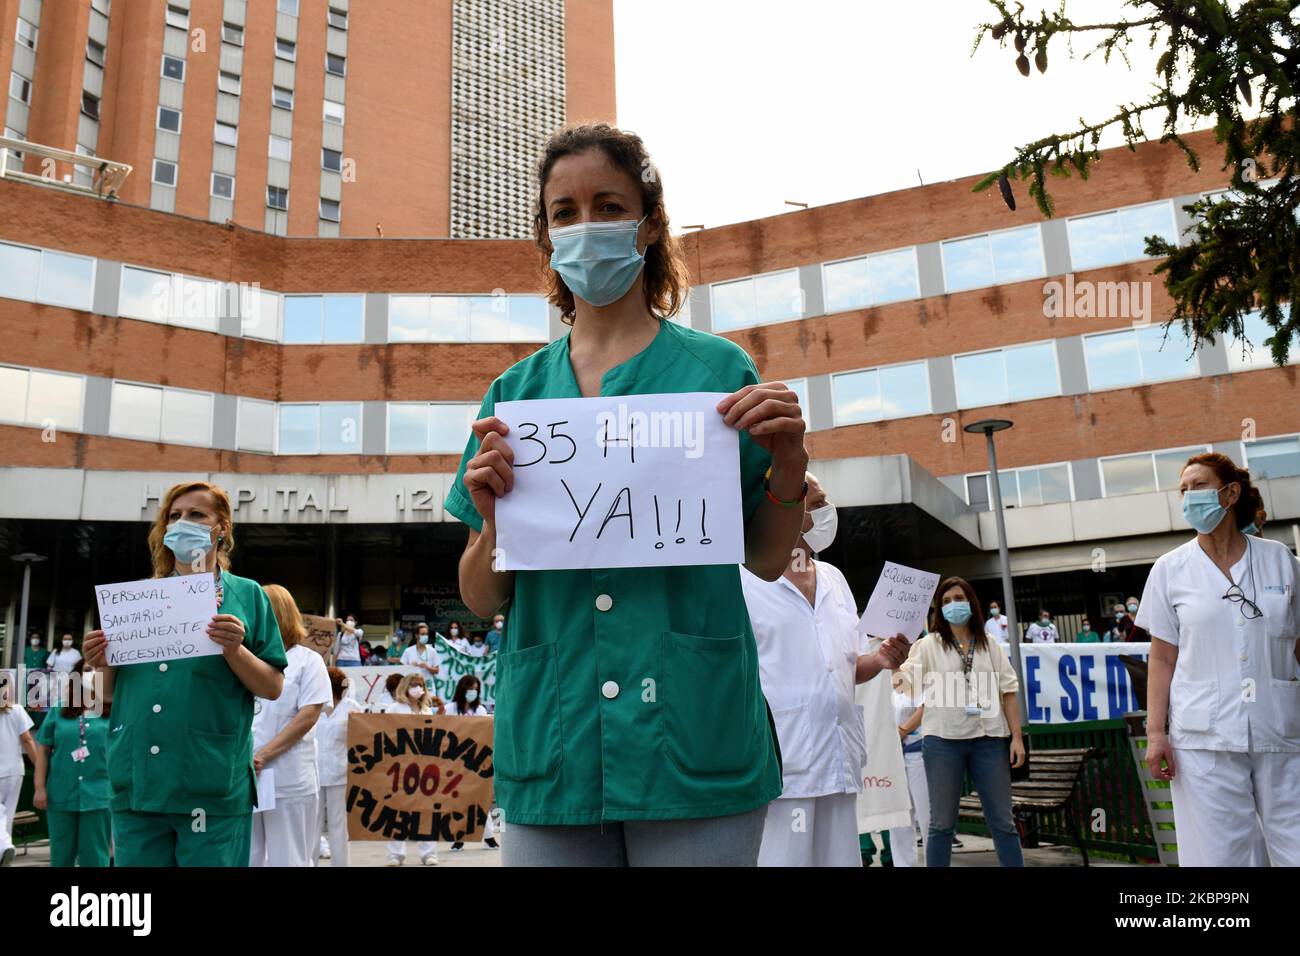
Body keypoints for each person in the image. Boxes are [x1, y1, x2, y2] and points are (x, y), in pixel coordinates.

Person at [446, 123, 805, 867]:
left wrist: (789, 465)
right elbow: (484, 599)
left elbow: (768, 562)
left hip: (693, 739)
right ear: (546, 237)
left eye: (607, 205)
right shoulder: (514, 398)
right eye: (564, 213)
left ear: (647, 224)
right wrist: (490, 526)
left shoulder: (718, 372)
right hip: (556, 743)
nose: (586, 227)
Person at [82, 480, 287, 866]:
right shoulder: (136, 600)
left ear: (221, 527)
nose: (182, 523)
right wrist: (99, 664)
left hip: (210, 785)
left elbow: (273, 687)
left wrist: (233, 649)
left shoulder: (248, 595)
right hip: (138, 782)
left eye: (196, 515)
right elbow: (102, 696)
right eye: (174, 516)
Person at [1138, 452, 1300, 866]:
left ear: (1230, 493)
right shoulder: (1169, 569)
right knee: (1224, 855)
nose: (1189, 497)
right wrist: (1156, 733)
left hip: (1280, 729)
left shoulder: (1280, 560)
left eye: (1199, 486)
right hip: (1204, 738)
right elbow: (1161, 658)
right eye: (1184, 489)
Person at [741, 473, 909, 867]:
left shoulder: (834, 578)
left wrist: (883, 659)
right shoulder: (744, 578)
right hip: (785, 763)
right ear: (782, 510)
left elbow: (847, 666)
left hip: (839, 757)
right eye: (816, 504)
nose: (827, 513)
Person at [898, 576, 1025, 867]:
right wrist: (898, 658)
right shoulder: (928, 645)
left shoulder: (990, 644)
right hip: (943, 741)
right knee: (941, 825)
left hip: (990, 740)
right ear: (938, 610)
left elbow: (1008, 691)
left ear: (971, 602)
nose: (952, 605)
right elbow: (905, 687)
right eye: (945, 602)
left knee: (1003, 823)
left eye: (958, 599)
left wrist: (1016, 737)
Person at [250, 584, 332, 867]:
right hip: (244, 774)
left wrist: (263, 754)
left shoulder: (308, 661)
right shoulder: (243, 659)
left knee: (289, 858)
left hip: (287, 776)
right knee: (246, 857)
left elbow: (308, 716)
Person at [32, 661, 112, 867]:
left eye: (97, 669)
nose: (92, 674)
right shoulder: (59, 710)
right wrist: (39, 788)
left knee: (95, 853)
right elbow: (42, 751)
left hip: (99, 795)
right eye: (86, 670)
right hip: (60, 792)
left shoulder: (112, 710)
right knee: (61, 852)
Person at [384, 673, 440, 866]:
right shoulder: (394, 709)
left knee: (426, 810)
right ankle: (395, 854)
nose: (418, 688)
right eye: (414, 684)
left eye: (421, 685)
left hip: (425, 765)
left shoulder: (427, 711)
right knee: (398, 810)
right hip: (400, 764)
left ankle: (429, 853)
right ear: (406, 686)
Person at [445, 675, 500, 851]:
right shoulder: (450, 709)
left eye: (476, 690)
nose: (473, 693)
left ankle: (489, 836)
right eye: (470, 689)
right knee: (459, 800)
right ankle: (459, 837)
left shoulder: (481, 710)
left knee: (481, 798)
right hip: (455, 760)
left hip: (477, 760)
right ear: (462, 689)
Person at [315, 666, 362, 867]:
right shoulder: (313, 705)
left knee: (338, 825)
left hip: (340, 773)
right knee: (311, 826)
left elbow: (363, 738)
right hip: (314, 771)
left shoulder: (352, 707)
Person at [888, 670, 928, 867]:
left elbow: (924, 707)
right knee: (899, 820)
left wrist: (902, 731)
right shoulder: (878, 673)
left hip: (918, 752)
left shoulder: (915, 669)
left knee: (928, 819)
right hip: (891, 755)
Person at [0, 681, 38, 866]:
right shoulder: (16, 710)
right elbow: (27, 740)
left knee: (1, 815)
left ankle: (5, 847)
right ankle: (5, 849)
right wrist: (40, 766)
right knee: (6, 814)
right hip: (15, 771)